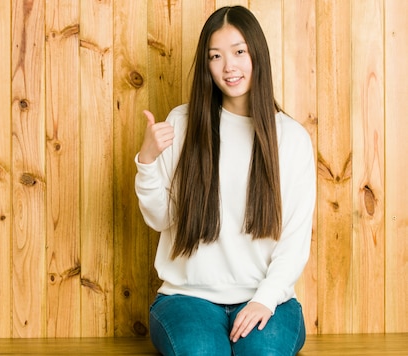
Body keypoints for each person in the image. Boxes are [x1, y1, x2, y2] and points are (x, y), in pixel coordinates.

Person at [134, 5, 315, 356]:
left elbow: (294, 241)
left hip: (267, 298)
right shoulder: (183, 123)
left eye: (239, 52)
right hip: (187, 298)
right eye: (215, 56)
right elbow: (161, 218)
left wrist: (264, 300)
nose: (228, 66)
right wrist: (147, 161)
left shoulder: (290, 139)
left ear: (257, 55)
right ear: (207, 65)